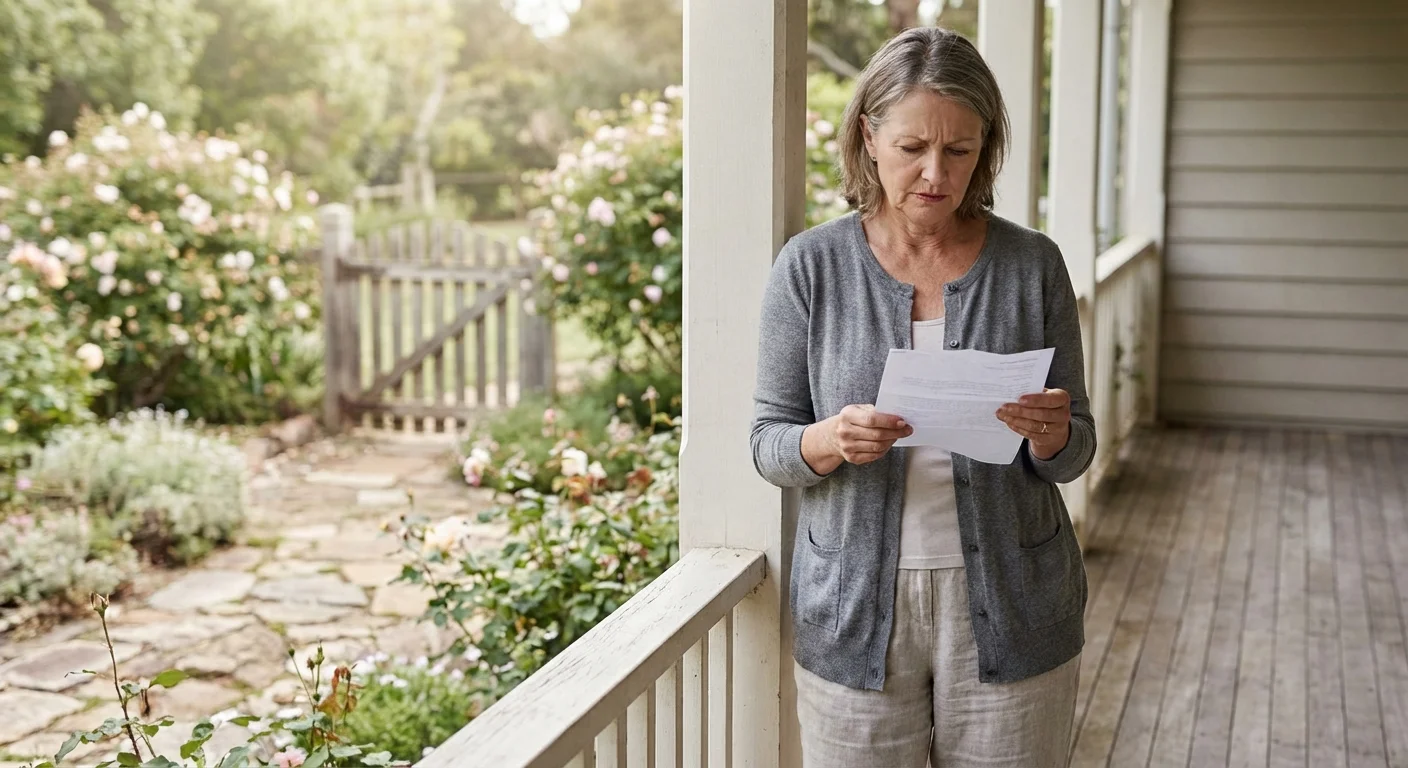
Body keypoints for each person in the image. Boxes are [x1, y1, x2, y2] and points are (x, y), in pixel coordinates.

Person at [749, 26, 1095, 768]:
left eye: (959, 150)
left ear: (986, 147)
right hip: (853, 611)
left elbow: (1077, 450)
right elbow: (768, 442)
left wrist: (1052, 436)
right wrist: (828, 439)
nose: (935, 173)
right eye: (912, 148)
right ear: (869, 137)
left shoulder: (1032, 264)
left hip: (1014, 601)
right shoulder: (811, 267)